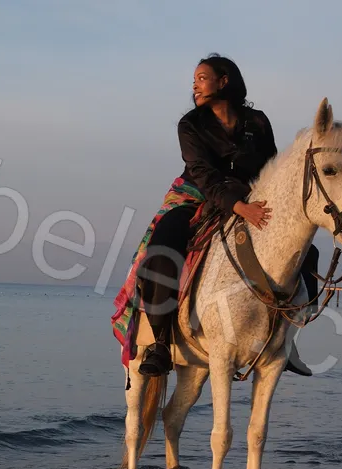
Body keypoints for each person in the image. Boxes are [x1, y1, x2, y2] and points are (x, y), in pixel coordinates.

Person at [134, 53, 319, 378]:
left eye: (202, 78)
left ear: (225, 81)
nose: (195, 85)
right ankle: (161, 344)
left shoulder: (257, 122)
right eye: (194, 80)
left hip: (252, 197)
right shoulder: (190, 125)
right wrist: (238, 206)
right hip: (198, 197)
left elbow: (272, 167)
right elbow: (202, 173)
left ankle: (286, 339)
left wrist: (266, 202)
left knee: (306, 251)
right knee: (163, 248)